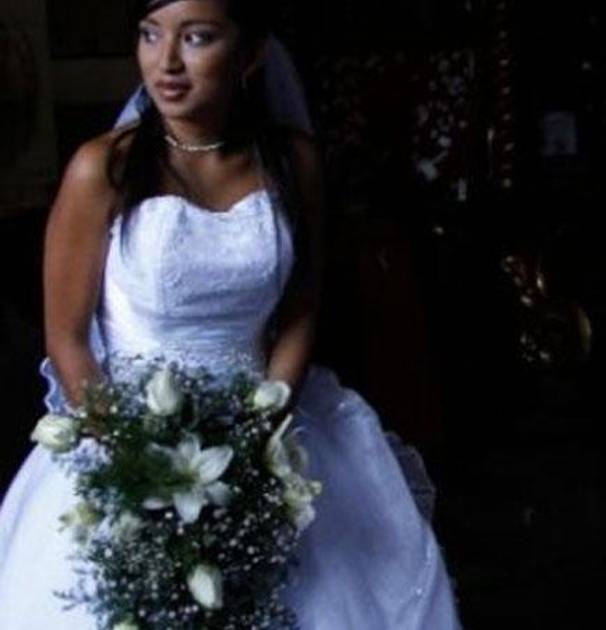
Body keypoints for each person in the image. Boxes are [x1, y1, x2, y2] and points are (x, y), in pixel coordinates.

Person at [0, 0, 462, 627]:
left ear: (250, 55)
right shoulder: (102, 168)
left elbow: (300, 308)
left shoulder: (294, 162)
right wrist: (136, 462)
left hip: (265, 423)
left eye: (196, 38)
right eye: (150, 35)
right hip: (127, 435)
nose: (166, 62)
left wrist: (260, 433)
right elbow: (67, 337)